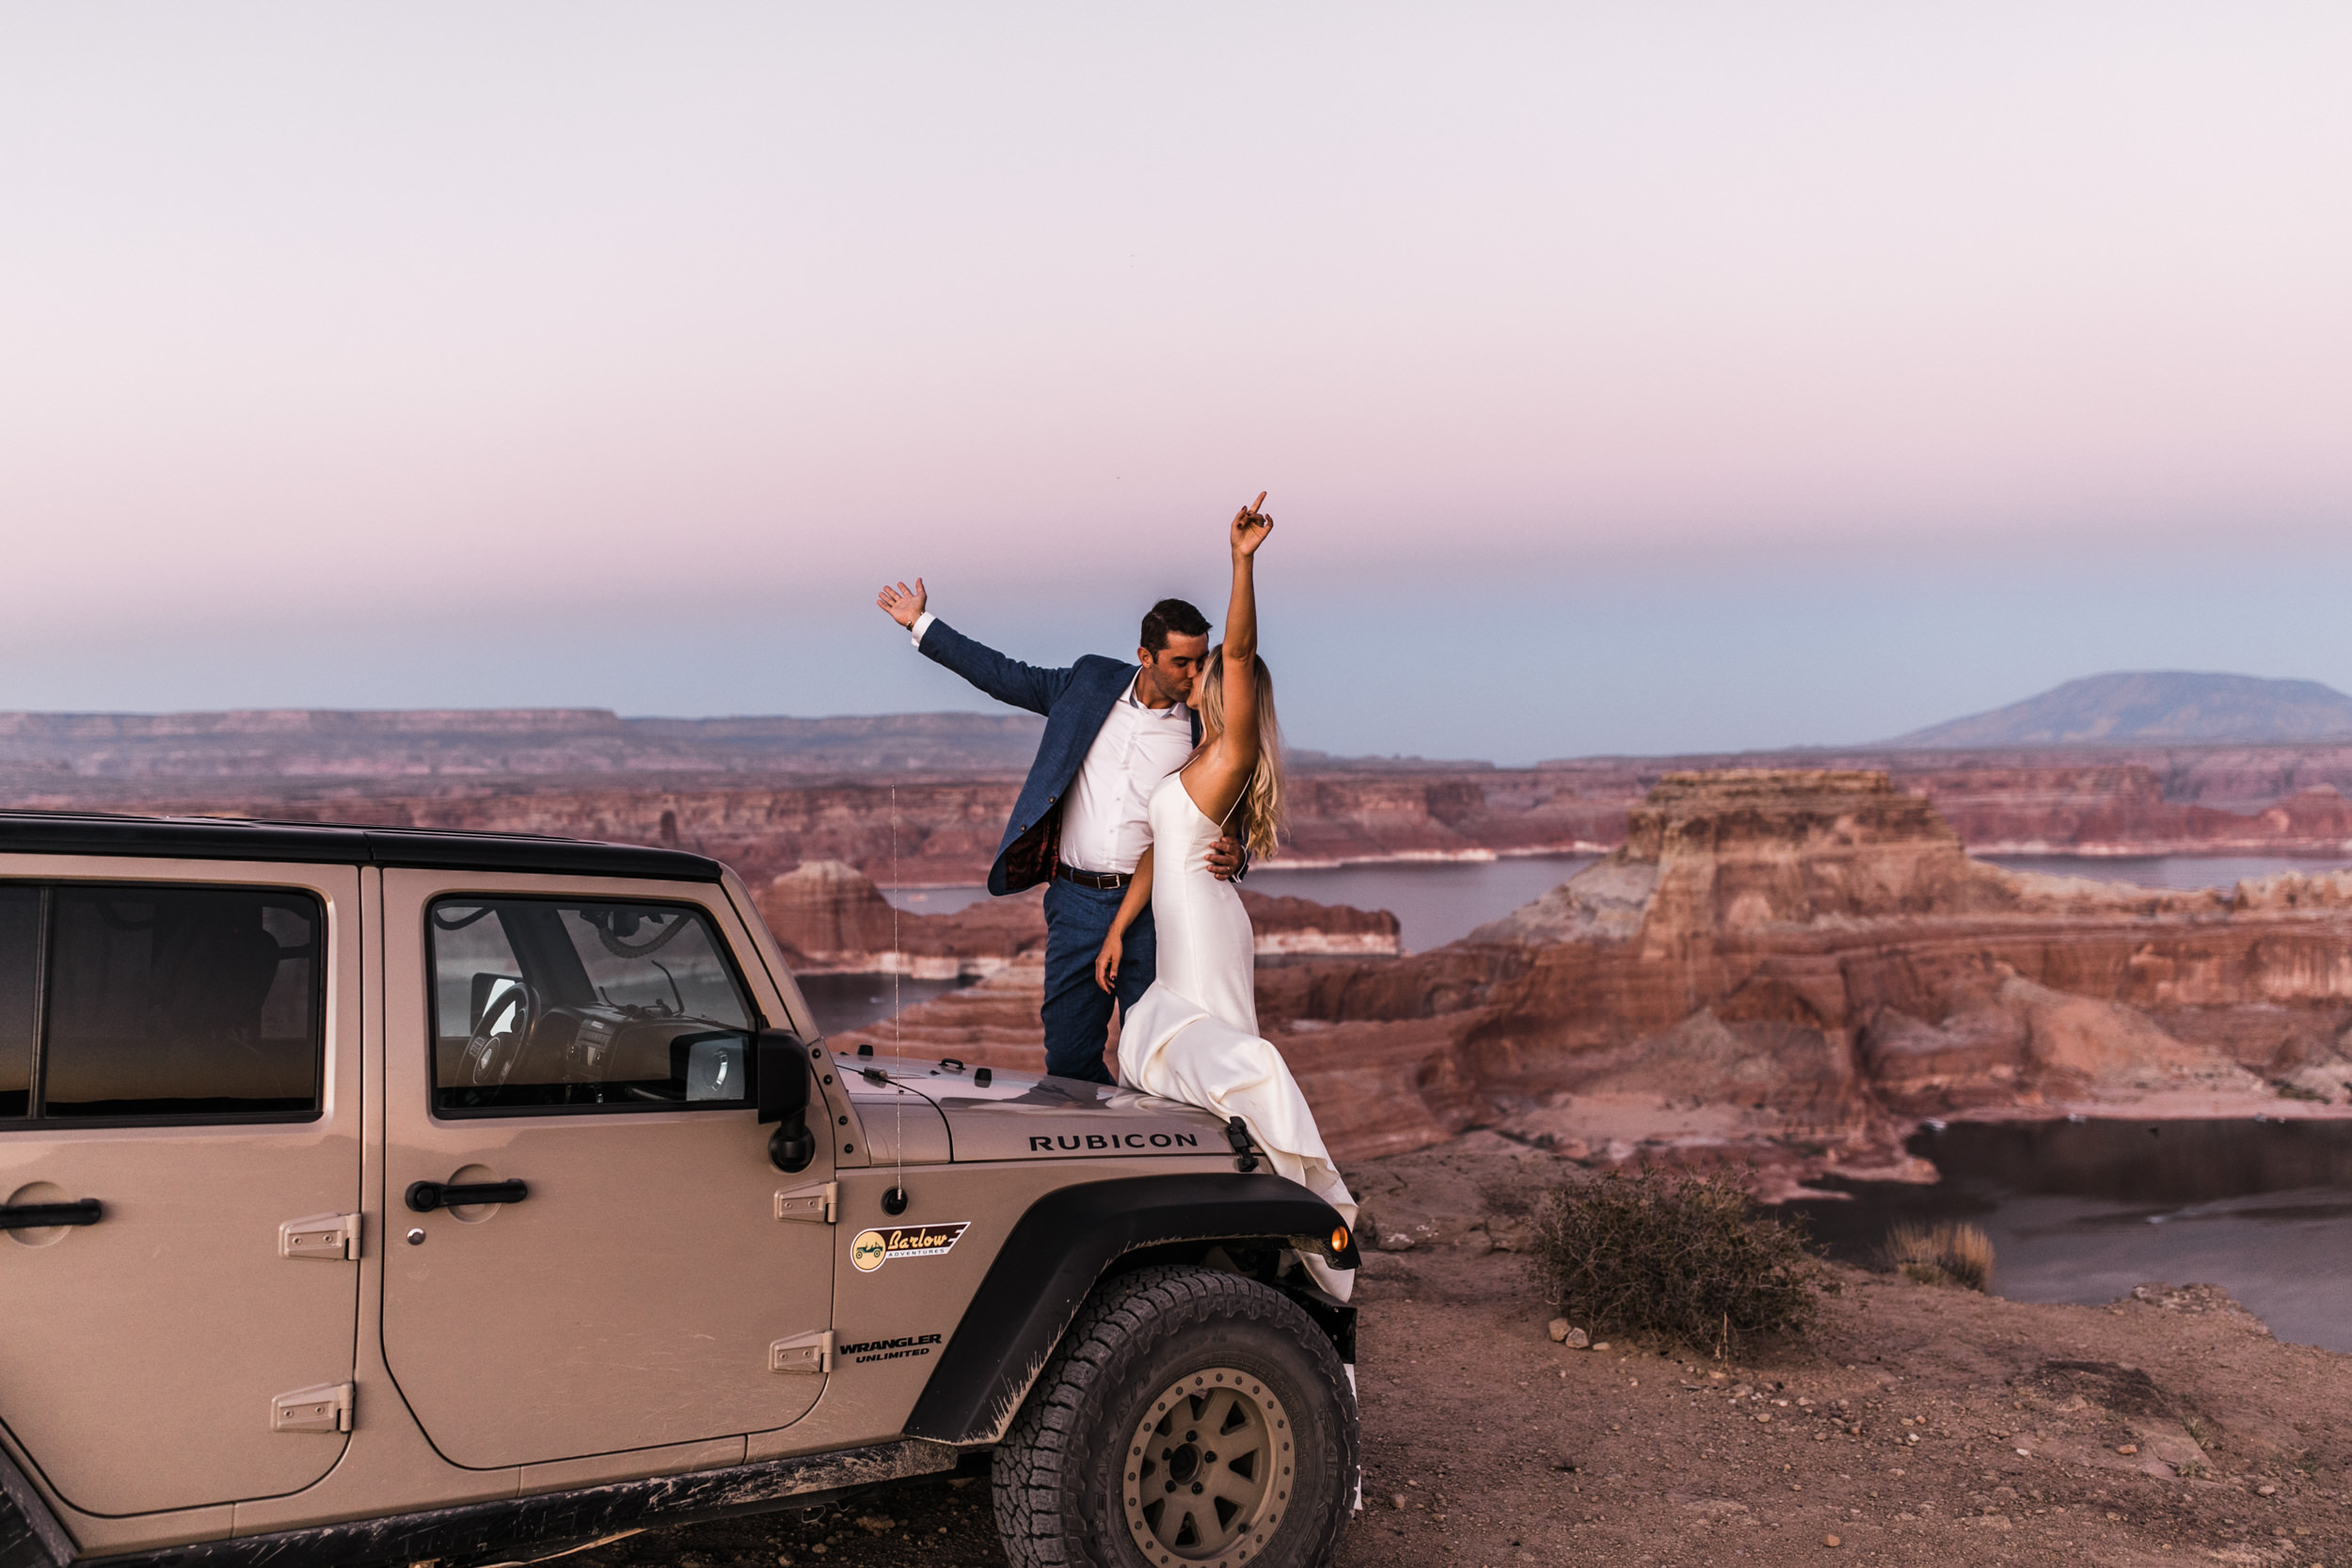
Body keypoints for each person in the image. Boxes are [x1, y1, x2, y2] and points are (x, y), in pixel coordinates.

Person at [1091, 496, 1358, 1300]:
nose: (1202, 672)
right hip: (1177, 929)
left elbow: (1238, 654)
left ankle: (1301, 1217)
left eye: (1208, 669)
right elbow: (1159, 851)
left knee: (1227, 1061)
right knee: (1173, 1057)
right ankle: (1239, 1230)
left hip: (1206, 931)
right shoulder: (1192, 758)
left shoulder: (1228, 754)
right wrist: (1117, 929)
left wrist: (1240, 560)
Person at [874, 576, 1246, 1084]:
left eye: (1201, 661)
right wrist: (921, 623)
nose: (1194, 673)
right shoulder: (1089, 683)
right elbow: (1006, 676)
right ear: (1145, 655)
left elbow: (1230, 804)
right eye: (1181, 662)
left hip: (1161, 908)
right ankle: (1098, 1155)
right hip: (1077, 902)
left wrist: (1237, 851)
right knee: (1069, 1055)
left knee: (1158, 1053)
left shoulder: (1205, 723)